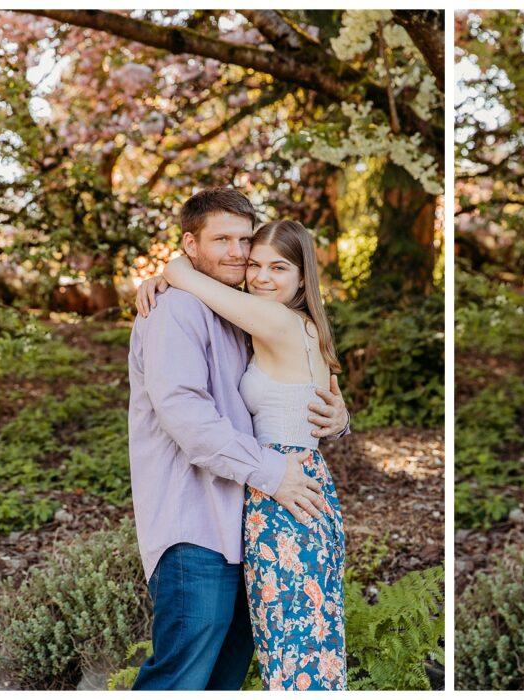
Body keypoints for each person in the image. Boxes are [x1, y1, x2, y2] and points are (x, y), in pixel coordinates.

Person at [128, 188, 349, 690]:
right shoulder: (176, 311)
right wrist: (168, 275)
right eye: (221, 238)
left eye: (244, 239)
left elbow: (291, 391)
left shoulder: (241, 312)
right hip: (196, 522)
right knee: (182, 674)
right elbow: (185, 414)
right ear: (190, 243)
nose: (237, 252)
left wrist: (337, 416)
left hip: (253, 516)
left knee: (234, 671)